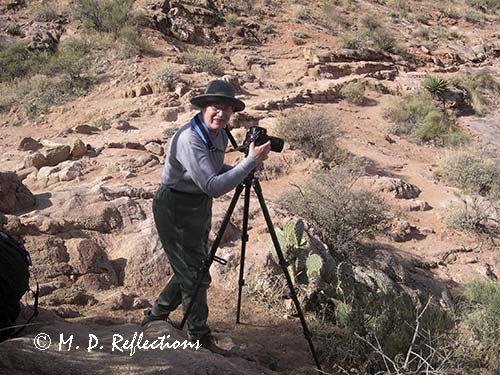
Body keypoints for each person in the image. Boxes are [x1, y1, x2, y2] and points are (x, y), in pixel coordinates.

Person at [143, 79, 271, 355]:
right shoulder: (190, 138)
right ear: (203, 107)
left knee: (195, 266)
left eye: (227, 109)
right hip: (175, 205)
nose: (221, 114)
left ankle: (156, 316)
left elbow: (214, 168)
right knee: (194, 274)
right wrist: (250, 162)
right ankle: (199, 336)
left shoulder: (220, 134)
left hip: (197, 205)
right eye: (216, 107)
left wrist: (240, 167)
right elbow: (212, 185)